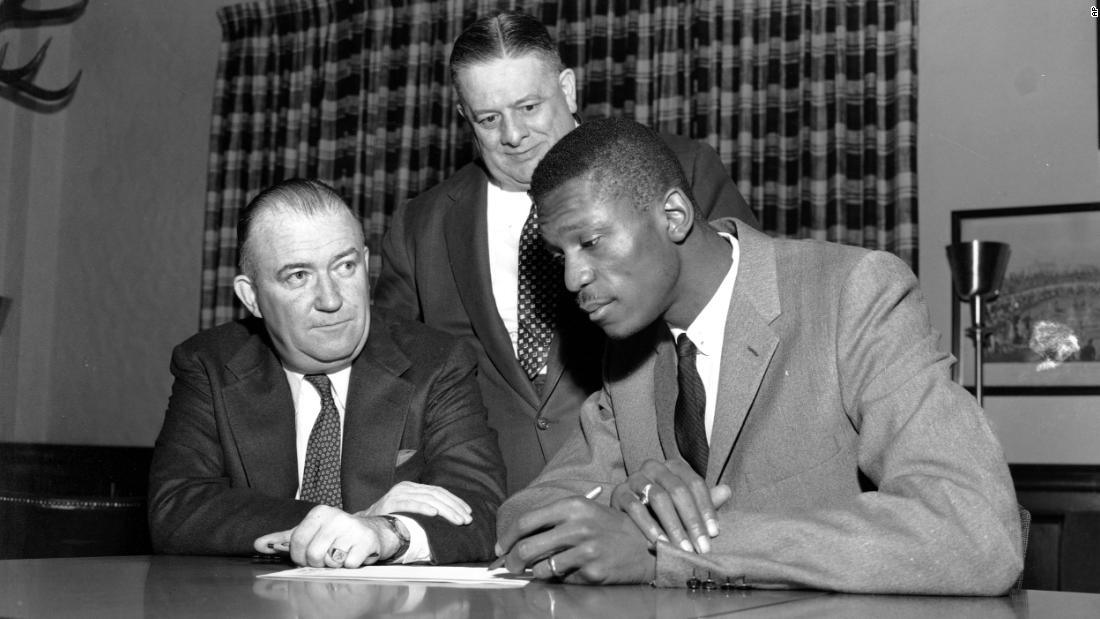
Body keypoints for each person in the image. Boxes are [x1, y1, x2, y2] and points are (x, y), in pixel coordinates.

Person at [494, 118, 1023, 594]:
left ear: (674, 215)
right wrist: (625, 507)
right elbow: (524, 516)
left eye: (589, 241)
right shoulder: (627, 357)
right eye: (559, 255)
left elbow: (977, 532)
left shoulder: (853, 294)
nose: (571, 278)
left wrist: (672, 549)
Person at [375, 10, 760, 494]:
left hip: (649, 496)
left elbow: (752, 326)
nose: (512, 135)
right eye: (488, 118)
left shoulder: (675, 170)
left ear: (569, 89)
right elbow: (392, 375)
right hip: (488, 506)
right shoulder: (421, 225)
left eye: (529, 107)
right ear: (463, 118)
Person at [149, 179, 505, 568]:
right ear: (251, 296)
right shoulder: (209, 363)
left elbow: (479, 508)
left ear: (366, 266)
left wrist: (385, 532)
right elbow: (177, 509)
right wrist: (353, 522)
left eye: (345, 267)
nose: (332, 299)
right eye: (299, 276)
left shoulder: (436, 361)